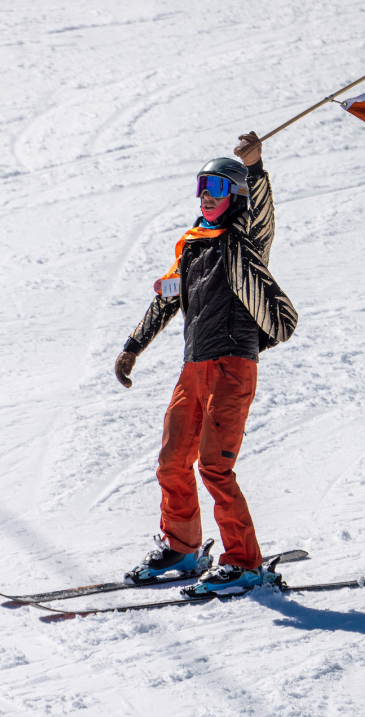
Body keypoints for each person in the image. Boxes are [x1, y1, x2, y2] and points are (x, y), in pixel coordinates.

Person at [115, 131, 299, 596]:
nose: (206, 197)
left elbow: (263, 221)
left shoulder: (243, 243)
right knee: (172, 460)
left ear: (234, 196)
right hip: (193, 367)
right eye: (201, 187)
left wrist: (254, 168)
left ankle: (244, 563)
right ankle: (183, 547)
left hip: (233, 363)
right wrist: (133, 346)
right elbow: (167, 299)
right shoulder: (193, 246)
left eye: (216, 188)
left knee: (214, 466)